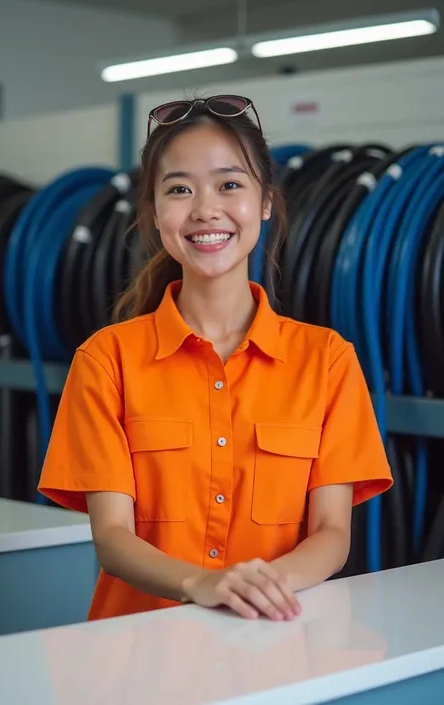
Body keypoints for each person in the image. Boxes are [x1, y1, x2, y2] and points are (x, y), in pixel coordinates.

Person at [38, 95, 393, 623]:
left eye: (230, 184)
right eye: (179, 189)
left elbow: (332, 533)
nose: (205, 209)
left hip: (275, 643)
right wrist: (202, 583)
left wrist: (256, 590)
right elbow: (112, 537)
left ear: (266, 201)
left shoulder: (327, 361)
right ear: (154, 213)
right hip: (137, 652)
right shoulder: (106, 360)